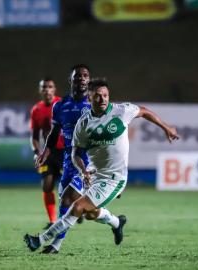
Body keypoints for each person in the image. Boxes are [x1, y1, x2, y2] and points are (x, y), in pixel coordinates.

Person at [24, 78, 179, 253]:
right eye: (97, 96)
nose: (103, 99)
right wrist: (83, 170)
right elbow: (75, 154)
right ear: (89, 99)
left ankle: (41, 239)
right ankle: (117, 222)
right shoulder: (83, 124)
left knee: (78, 206)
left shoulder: (121, 111)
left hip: (114, 178)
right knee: (87, 211)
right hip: (91, 173)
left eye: (105, 95)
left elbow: (144, 111)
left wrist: (166, 127)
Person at [29, 64, 95, 254]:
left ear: (88, 80)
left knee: (67, 201)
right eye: (77, 76)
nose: (81, 79)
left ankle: (53, 243)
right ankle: (116, 222)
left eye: (85, 76)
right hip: (68, 158)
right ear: (71, 80)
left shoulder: (95, 105)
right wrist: (44, 152)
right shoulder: (60, 106)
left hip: (87, 161)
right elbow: (54, 132)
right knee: (87, 211)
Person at [30, 77, 64, 229]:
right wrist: (37, 152)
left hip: (65, 151)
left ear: (54, 89)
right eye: (44, 87)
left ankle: (76, 212)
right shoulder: (36, 110)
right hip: (48, 152)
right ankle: (52, 221)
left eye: (50, 87)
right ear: (40, 90)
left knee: (69, 186)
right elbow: (34, 136)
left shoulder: (63, 105)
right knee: (47, 185)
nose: (47, 90)